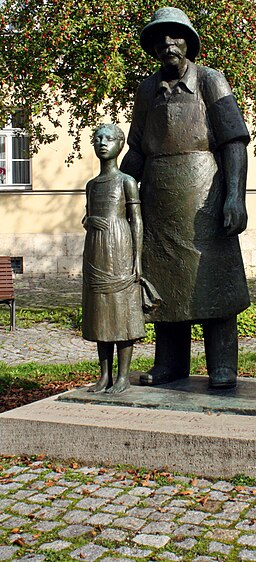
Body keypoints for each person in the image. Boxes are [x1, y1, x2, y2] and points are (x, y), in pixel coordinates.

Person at [120, 7, 250, 389]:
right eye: (160, 39)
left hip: (204, 197)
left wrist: (234, 196)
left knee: (215, 281)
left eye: (175, 36)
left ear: (189, 42)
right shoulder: (147, 90)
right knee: (164, 283)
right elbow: (138, 151)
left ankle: (222, 364)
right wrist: (114, 187)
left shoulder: (211, 81)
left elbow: (234, 142)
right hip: (158, 200)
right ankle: (170, 363)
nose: (167, 44)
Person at [82, 124, 145, 394]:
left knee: (121, 311)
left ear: (120, 145)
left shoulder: (126, 181)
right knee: (101, 313)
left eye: (109, 139)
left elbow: (137, 221)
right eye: (98, 139)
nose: (102, 143)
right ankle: (104, 375)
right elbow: (87, 216)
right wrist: (90, 220)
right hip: (96, 249)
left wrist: (138, 258)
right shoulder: (92, 185)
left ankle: (123, 376)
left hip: (120, 246)